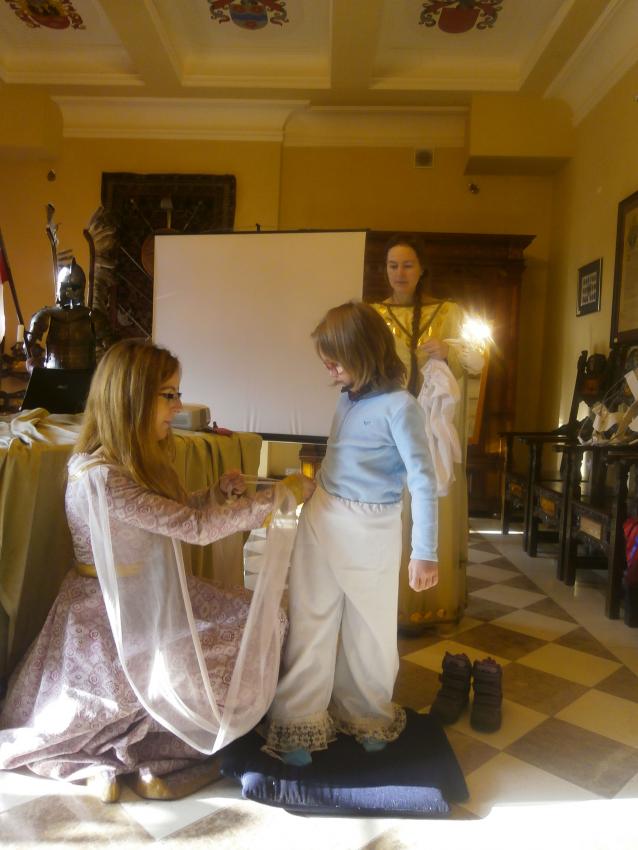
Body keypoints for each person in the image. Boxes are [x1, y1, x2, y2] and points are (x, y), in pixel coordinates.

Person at [0, 339, 314, 801]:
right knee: (238, 634)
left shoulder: (124, 463)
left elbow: (172, 513)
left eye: (177, 393)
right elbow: (193, 528)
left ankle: (147, 759)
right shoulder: (102, 476)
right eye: (168, 395)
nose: (179, 407)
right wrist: (277, 497)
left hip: (145, 595)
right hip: (111, 612)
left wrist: (216, 494)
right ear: (132, 398)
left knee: (256, 617)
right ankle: (146, 758)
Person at [262, 302, 438, 765]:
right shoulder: (347, 397)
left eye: (335, 360)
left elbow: (423, 480)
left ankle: (366, 714)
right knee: (311, 618)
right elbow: (339, 456)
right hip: (323, 519)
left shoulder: (401, 407)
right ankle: (299, 719)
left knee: (371, 628)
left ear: (366, 351)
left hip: (371, 531)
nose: (329, 368)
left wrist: (424, 550)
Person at [371, 233, 484, 632]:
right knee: (393, 512)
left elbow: (475, 363)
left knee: (430, 505)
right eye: (393, 265)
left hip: (431, 433)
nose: (399, 273)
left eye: (407, 265)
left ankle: (429, 602)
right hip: (389, 432)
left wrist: (450, 354)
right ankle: (387, 603)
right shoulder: (373, 315)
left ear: (421, 270)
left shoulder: (449, 312)